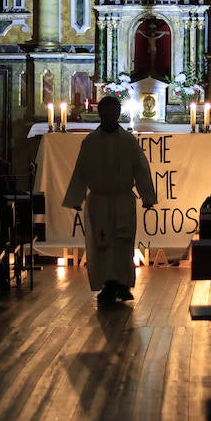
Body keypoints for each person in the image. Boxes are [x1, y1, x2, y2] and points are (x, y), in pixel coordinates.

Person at [62, 95, 158, 305]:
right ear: (100, 114)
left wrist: (147, 196)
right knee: (102, 243)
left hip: (122, 199)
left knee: (123, 242)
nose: (108, 116)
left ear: (118, 114)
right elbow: (80, 171)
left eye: (112, 112)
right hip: (99, 200)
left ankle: (123, 283)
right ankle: (108, 284)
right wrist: (77, 197)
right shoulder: (90, 142)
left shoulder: (128, 141)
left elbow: (141, 169)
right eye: (105, 112)